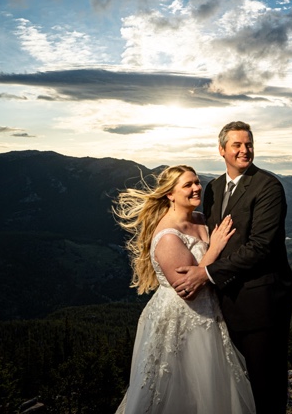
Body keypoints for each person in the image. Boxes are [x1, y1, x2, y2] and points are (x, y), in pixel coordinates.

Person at [174, 121, 292, 413]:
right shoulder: (214, 188)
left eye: (249, 144)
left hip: (262, 301)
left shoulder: (268, 186)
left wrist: (204, 274)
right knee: (237, 386)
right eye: (237, 145)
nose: (245, 150)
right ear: (222, 150)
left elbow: (261, 248)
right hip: (224, 302)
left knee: (266, 387)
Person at [113, 164, 256, 414]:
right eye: (188, 184)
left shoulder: (201, 219)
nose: (196, 188)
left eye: (197, 182)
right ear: (170, 194)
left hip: (211, 316)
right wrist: (215, 247)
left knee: (215, 386)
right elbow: (189, 290)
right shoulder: (168, 236)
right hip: (182, 319)